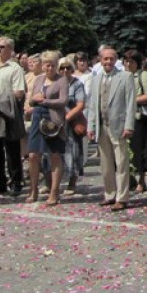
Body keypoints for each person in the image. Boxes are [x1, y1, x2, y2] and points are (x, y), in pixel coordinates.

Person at [86, 46, 136, 211]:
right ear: (100, 60)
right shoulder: (96, 79)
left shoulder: (125, 77)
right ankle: (109, 194)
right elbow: (93, 104)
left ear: (116, 60)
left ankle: (122, 197)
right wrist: (91, 125)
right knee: (106, 163)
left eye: (111, 59)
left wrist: (129, 125)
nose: (108, 62)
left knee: (121, 163)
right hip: (102, 126)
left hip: (119, 126)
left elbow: (130, 103)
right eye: (105, 59)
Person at [24, 51, 68, 205]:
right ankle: (33, 189)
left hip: (53, 120)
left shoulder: (61, 80)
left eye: (53, 65)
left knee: (54, 155)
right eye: (47, 65)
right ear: (42, 66)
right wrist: (34, 99)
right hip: (37, 117)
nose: (50, 68)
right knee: (33, 155)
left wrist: (45, 101)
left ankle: (54, 191)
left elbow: (63, 101)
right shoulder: (38, 79)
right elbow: (31, 101)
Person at [0, 36, 27, 197]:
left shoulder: (15, 68)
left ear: (10, 49)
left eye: (2, 47)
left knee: (12, 149)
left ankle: (16, 181)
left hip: (8, 112)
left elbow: (18, 92)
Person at [124, 49, 147, 194]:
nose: (128, 64)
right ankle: (129, 179)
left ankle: (141, 180)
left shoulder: (144, 75)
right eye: (126, 61)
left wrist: (132, 101)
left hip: (139, 117)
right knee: (125, 150)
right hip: (123, 117)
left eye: (131, 61)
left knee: (138, 149)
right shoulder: (121, 76)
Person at [61, 57, 88, 196]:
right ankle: (51, 183)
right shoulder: (55, 82)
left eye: (68, 67)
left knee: (73, 152)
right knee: (54, 154)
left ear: (72, 69)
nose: (65, 70)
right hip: (55, 123)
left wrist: (67, 117)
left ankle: (72, 182)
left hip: (71, 121)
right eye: (62, 68)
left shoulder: (77, 84)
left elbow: (81, 104)